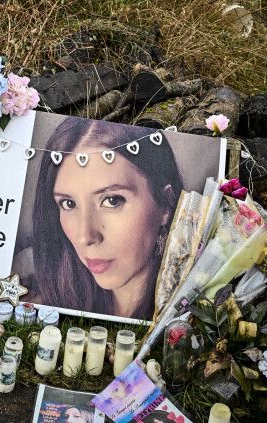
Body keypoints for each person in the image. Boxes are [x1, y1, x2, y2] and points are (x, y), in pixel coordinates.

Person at [32, 117, 182, 320]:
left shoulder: (190, 316)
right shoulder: (38, 308)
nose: (86, 236)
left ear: (165, 204)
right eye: (68, 204)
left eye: (112, 201)